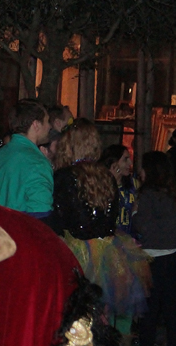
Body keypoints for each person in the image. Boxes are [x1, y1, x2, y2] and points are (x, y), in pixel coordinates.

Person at [46, 120, 150, 319]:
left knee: (75, 309)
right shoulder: (106, 176)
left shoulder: (64, 176)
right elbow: (111, 216)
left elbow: (64, 216)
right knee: (101, 310)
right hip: (108, 248)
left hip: (77, 249)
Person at [134, 151, 176, 346]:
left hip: (152, 258)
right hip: (173, 256)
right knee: (172, 311)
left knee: (150, 312)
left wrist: (134, 214)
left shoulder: (147, 195)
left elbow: (143, 227)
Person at [0, 99, 53, 218]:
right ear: (36, 125)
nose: (50, 126)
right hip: (18, 235)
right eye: (47, 121)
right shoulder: (37, 163)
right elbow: (41, 217)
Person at [99, 144, 140, 237]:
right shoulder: (100, 184)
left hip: (130, 239)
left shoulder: (134, 184)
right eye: (125, 159)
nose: (130, 163)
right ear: (114, 162)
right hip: (108, 238)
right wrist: (111, 182)